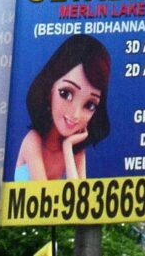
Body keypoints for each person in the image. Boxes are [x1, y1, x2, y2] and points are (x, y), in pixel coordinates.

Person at [12, 34, 111, 183]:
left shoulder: (76, 152)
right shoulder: (33, 141)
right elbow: (44, 199)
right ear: (49, 89)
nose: (75, 114)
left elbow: (80, 202)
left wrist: (67, 147)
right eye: (66, 94)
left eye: (89, 105)